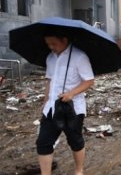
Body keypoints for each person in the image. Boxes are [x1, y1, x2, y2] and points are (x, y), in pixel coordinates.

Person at [37, 30, 94, 175]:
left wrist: (71, 93)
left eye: (53, 43)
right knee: (43, 142)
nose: (51, 47)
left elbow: (89, 81)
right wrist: (45, 100)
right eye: (48, 44)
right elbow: (49, 80)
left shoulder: (79, 57)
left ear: (64, 40)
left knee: (75, 141)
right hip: (51, 107)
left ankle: (79, 170)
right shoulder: (50, 58)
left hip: (72, 108)